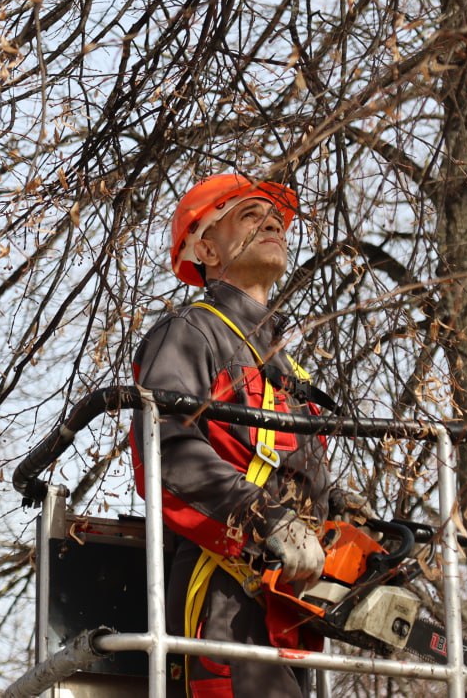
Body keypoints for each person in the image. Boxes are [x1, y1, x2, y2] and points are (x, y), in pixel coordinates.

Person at [130, 173, 335, 698]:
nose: (271, 224)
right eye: (248, 216)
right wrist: (266, 519)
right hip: (227, 597)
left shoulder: (284, 363)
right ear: (206, 250)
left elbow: (303, 477)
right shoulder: (189, 333)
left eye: (276, 220)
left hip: (287, 608)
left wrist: (353, 522)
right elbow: (167, 457)